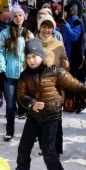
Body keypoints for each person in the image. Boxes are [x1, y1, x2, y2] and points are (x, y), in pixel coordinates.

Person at [16, 38, 86, 170]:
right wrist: (31, 103)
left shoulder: (54, 71)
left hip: (51, 116)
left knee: (48, 149)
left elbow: (73, 83)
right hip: (33, 116)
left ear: (42, 56)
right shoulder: (25, 75)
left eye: (34, 56)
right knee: (24, 147)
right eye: (28, 57)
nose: (31, 60)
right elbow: (20, 95)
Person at [0, 4, 33, 141]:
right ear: (11, 18)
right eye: (15, 16)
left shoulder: (28, 34)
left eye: (20, 15)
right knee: (11, 105)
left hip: (25, 75)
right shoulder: (5, 33)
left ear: (24, 17)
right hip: (9, 76)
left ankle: (32, 132)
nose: (18, 18)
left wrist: (32, 69)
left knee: (29, 104)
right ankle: (9, 131)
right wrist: (2, 70)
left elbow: (33, 54)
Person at [36, 12, 68, 155]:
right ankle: (44, 147)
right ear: (39, 27)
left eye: (49, 27)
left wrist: (66, 65)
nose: (46, 30)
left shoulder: (58, 45)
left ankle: (57, 148)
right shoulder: (33, 43)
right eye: (44, 26)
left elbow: (64, 66)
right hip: (37, 88)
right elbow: (26, 64)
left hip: (55, 88)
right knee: (41, 119)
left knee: (55, 120)